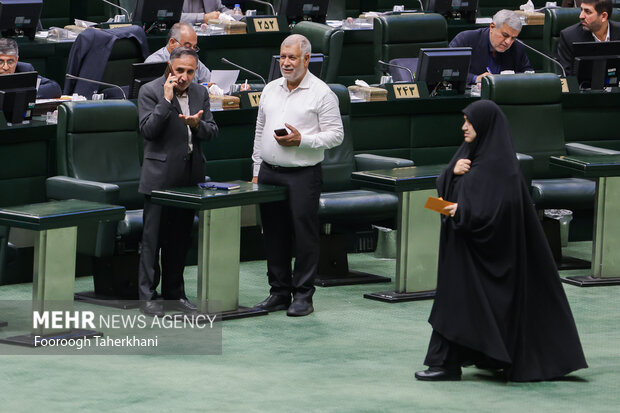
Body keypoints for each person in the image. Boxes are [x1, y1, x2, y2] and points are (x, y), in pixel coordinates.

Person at [414, 100, 588, 382]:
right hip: (465, 252)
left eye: (469, 122)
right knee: (458, 303)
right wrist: (450, 174)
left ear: (484, 125)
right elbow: (446, 198)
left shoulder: (499, 168)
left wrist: (442, 206)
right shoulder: (469, 157)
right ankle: (449, 362)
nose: (464, 127)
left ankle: (445, 363)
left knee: (457, 304)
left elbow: (479, 214)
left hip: (488, 255)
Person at [250, 34, 343, 317]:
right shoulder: (270, 89)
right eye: (283, 57)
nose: (286, 63)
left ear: (306, 59)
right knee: (273, 234)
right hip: (269, 172)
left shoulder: (322, 93)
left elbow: (336, 135)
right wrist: (256, 169)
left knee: (304, 236)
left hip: (303, 174)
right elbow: (259, 131)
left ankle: (303, 295)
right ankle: (278, 291)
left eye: (292, 57)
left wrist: (303, 140)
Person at [137, 47, 218, 317]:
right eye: (179, 70)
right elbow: (149, 130)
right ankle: (147, 296)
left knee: (180, 239)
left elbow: (212, 131)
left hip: (189, 179)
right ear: (170, 67)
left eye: (189, 71)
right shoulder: (150, 91)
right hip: (159, 179)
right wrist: (166, 100)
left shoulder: (200, 93)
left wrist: (197, 125)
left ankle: (175, 294)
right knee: (153, 241)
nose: (184, 76)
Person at [450, 10, 533, 84]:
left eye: (513, 38)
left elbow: (528, 73)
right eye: (505, 35)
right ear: (492, 27)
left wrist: (512, 77)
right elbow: (449, 70)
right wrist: (475, 78)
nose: (508, 42)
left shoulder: (517, 47)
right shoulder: (466, 39)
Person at [557, 0, 620, 75]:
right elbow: (567, 76)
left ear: (603, 16)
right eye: (581, 10)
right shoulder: (569, 37)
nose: (581, 16)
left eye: (588, 12)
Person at [145, 22, 211, 84]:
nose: (192, 51)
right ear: (172, 42)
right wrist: (197, 89)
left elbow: (208, 82)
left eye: (194, 47)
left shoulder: (192, 58)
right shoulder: (153, 63)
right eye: (187, 46)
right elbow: (154, 93)